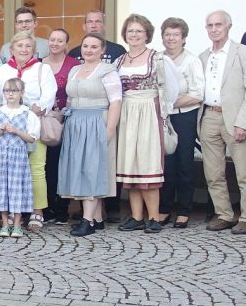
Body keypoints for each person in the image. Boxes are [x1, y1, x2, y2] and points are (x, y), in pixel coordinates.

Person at [115, 14, 180, 234]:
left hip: (149, 112)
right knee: (130, 165)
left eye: (139, 31)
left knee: (148, 164)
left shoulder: (158, 59)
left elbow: (172, 88)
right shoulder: (119, 61)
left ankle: (153, 216)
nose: (134, 35)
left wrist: (161, 111)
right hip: (126, 113)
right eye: (130, 31)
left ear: (147, 35)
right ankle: (136, 216)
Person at [58, 33, 122, 236]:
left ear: (102, 50)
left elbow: (116, 102)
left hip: (96, 122)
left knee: (92, 169)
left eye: (94, 46)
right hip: (75, 123)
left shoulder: (107, 71)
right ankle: (98, 218)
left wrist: (109, 131)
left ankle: (88, 221)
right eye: (85, 46)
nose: (89, 50)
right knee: (80, 168)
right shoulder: (75, 70)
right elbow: (70, 99)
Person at [0, 30, 56, 230]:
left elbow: (49, 94)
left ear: (34, 49)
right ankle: (14, 210)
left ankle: (37, 211)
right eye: (19, 46)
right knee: (11, 170)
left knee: (36, 169)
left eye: (28, 46)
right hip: (9, 126)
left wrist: (35, 109)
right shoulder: (2, 70)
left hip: (32, 122)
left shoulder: (42, 69)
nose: (23, 49)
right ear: (11, 49)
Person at [198, 10, 246, 234]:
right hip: (209, 116)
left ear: (229, 26)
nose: (214, 29)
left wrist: (242, 122)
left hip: (234, 117)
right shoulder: (204, 57)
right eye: (210, 25)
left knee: (243, 173)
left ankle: (245, 216)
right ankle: (224, 214)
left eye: (219, 24)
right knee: (213, 172)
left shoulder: (241, 53)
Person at [158, 17, 204, 228]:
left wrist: (171, 102)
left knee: (185, 162)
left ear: (183, 37)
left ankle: (184, 210)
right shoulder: (157, 59)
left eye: (176, 34)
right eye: (167, 34)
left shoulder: (192, 60)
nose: (171, 38)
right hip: (163, 116)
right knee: (166, 163)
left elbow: (198, 93)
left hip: (184, 115)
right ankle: (165, 207)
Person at [0, 77, 41, 238]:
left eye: (14, 91)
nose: (10, 94)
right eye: (7, 91)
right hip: (0, 156)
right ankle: (4, 222)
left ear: (21, 93)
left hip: (18, 156)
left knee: (17, 188)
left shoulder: (27, 114)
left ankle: (17, 223)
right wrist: (0, 130)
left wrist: (16, 131)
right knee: (1, 188)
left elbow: (32, 138)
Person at [42, 28, 79, 225]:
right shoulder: (40, 64)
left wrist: (64, 113)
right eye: (52, 40)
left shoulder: (74, 65)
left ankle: (63, 208)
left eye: (60, 40)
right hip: (45, 122)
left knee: (64, 164)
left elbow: (76, 92)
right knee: (46, 165)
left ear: (66, 44)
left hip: (67, 120)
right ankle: (47, 206)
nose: (55, 43)